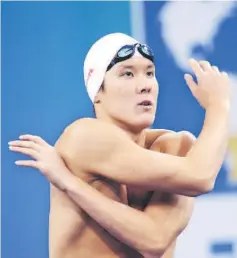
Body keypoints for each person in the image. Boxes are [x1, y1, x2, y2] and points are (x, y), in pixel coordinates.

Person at [9, 33, 230, 258]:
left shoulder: (177, 146)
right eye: (127, 74)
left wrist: (70, 184)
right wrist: (219, 107)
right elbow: (198, 176)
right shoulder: (84, 137)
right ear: (97, 93)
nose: (144, 85)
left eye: (149, 73)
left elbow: (155, 237)